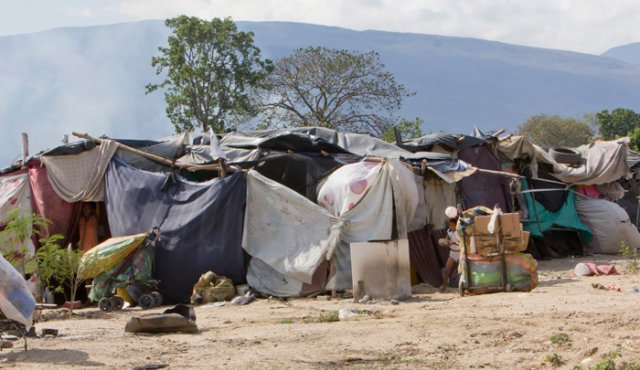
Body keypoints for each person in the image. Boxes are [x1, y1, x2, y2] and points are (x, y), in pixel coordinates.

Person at [439, 209, 460, 292]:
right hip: (452, 253)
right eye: (450, 225)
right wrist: (445, 242)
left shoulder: (459, 232)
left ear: (456, 225)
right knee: (447, 270)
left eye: (453, 225)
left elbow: (461, 243)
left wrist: (453, 243)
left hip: (460, 253)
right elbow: (446, 239)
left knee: (461, 270)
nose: (451, 227)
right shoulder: (449, 231)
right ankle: (444, 286)